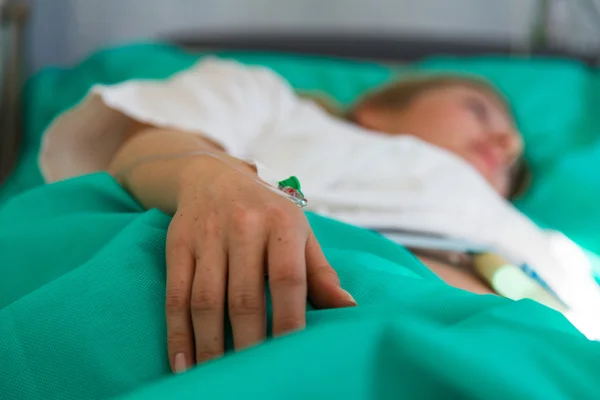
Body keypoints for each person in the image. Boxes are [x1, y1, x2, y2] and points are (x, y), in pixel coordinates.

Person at [39, 57, 530, 373]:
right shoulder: (274, 106)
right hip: (335, 313)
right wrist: (214, 180)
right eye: (479, 110)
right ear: (377, 109)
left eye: (514, 162)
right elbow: (151, 146)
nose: (508, 143)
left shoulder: (543, 245)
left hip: (516, 349)